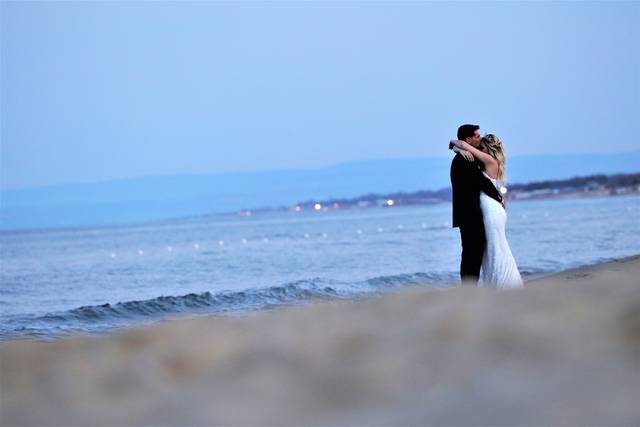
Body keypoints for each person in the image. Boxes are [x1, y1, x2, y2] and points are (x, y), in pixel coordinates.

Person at [450, 132, 523, 289]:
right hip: (492, 207)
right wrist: (457, 150)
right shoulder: (486, 162)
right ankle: (499, 285)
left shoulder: (490, 161)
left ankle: (503, 285)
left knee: (493, 248)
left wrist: (459, 148)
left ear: (489, 149)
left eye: (481, 147)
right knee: (492, 248)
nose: (478, 149)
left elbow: (461, 143)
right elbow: (459, 145)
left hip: (490, 209)